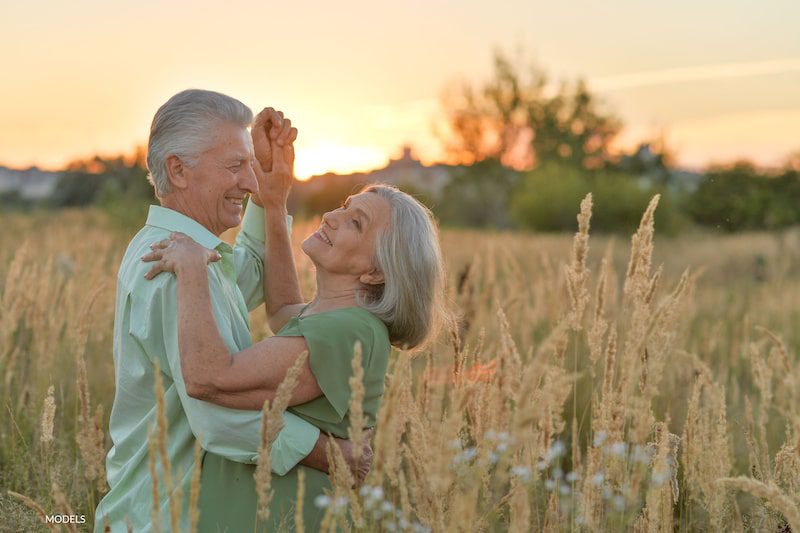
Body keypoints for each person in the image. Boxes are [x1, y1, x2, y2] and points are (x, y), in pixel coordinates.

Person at [141, 107, 452, 531]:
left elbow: (207, 379)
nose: (331, 217)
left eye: (354, 223)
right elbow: (284, 309)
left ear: (376, 271)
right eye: (345, 206)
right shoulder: (339, 319)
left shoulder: (349, 330)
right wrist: (274, 199)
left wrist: (194, 269)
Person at [94, 89, 366, 532]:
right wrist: (334, 455)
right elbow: (219, 421)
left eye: (250, 167)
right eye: (235, 166)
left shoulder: (192, 255)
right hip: (163, 515)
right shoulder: (170, 268)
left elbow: (254, 273)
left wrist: (272, 194)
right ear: (178, 171)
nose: (250, 181)